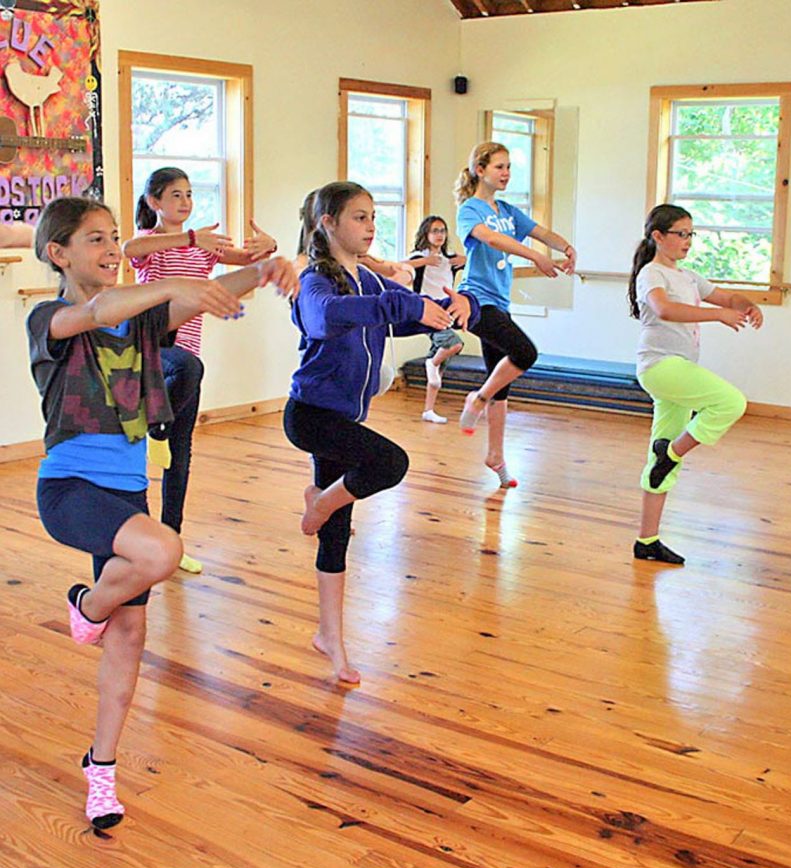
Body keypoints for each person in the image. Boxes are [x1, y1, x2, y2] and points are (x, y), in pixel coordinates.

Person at [27, 196, 295, 829]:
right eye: (95, 239)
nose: (111, 246)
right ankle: (86, 605)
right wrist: (181, 282)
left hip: (127, 496)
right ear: (58, 254)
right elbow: (96, 311)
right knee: (162, 551)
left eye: (115, 236)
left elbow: (204, 294)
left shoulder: (145, 323)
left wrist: (261, 271)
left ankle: (102, 768)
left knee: (132, 635)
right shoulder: (50, 317)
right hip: (69, 489)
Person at [283, 181, 478, 685]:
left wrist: (451, 307)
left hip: (346, 419)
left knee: (337, 537)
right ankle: (321, 502)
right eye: (359, 218)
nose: (370, 227)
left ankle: (331, 637)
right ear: (327, 223)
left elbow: (408, 311)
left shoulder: (367, 282)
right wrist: (405, 308)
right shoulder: (315, 282)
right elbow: (327, 320)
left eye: (373, 218)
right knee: (390, 463)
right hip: (311, 416)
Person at [122, 167, 278, 573]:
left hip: (185, 360)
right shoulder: (156, 243)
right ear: (154, 202)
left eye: (189, 194)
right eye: (175, 195)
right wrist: (191, 237)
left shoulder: (203, 248)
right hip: (150, 350)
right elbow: (129, 249)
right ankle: (156, 428)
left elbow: (250, 260)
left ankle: (170, 543)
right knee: (190, 368)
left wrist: (269, 245)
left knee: (182, 453)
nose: (186, 202)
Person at [628, 203, 762, 564]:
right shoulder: (651, 274)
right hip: (661, 366)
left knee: (660, 463)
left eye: (691, 234)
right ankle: (669, 452)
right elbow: (665, 310)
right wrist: (718, 314)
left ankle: (647, 541)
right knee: (730, 402)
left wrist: (745, 303)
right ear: (658, 236)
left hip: (677, 367)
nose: (688, 241)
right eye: (681, 234)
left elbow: (725, 297)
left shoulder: (687, 276)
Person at [454, 141, 576, 488]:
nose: (506, 174)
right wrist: (535, 256)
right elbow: (490, 239)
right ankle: (476, 398)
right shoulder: (470, 210)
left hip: (500, 303)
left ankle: (496, 457)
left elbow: (542, 232)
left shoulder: (508, 210)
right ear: (480, 170)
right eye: (499, 167)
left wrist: (565, 247)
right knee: (525, 353)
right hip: (476, 302)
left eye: (509, 168)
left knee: (502, 384)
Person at [405, 215, 467, 423]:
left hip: (446, 311)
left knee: (440, 368)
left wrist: (464, 260)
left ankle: (428, 410)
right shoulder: (419, 256)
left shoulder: (449, 259)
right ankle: (431, 362)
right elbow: (398, 266)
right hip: (428, 313)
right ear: (426, 234)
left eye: (442, 231)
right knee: (454, 344)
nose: (439, 235)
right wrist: (425, 261)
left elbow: (472, 261)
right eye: (435, 231)